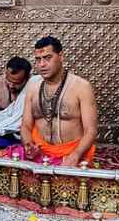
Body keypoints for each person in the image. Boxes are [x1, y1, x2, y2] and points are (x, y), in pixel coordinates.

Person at [21, 36, 97, 167]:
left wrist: (76, 155)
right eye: (38, 60)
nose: (42, 64)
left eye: (47, 58)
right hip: (40, 153)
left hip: (71, 153)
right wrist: (29, 145)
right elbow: (25, 126)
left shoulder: (81, 87)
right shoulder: (33, 87)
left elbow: (91, 131)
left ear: (61, 56)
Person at [0, 57, 34, 147]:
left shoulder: (32, 86)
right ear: (5, 73)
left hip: (20, 135)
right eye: (8, 81)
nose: (11, 85)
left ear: (27, 78)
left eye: (17, 83)